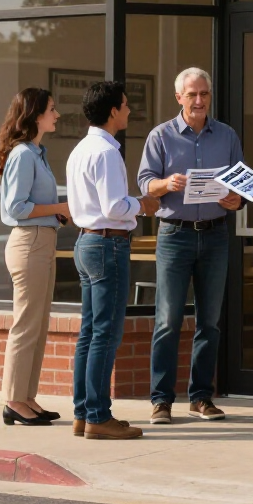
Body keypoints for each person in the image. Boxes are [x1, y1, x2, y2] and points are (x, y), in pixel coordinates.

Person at [137, 67, 244, 425]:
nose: (200, 101)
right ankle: (161, 400)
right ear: (178, 97)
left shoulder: (226, 135)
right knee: (167, 320)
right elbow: (145, 183)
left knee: (209, 321)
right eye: (193, 94)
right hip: (175, 235)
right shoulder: (161, 136)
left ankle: (201, 397)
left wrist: (236, 201)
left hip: (215, 234)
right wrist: (166, 183)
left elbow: (240, 183)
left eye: (205, 94)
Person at [67, 80, 158, 440]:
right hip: (107, 245)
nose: (129, 110)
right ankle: (98, 417)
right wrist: (143, 204)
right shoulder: (105, 152)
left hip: (87, 242)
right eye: (125, 104)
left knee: (90, 333)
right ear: (112, 112)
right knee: (105, 334)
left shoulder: (80, 150)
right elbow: (114, 207)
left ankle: (83, 412)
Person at [0, 87, 71, 426]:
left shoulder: (37, 152)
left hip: (42, 240)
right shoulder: (24, 154)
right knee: (26, 325)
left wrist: (56, 214)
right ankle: (13, 400)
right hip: (29, 244)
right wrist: (57, 208)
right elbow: (15, 208)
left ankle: (26, 396)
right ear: (36, 115)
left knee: (38, 325)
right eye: (52, 109)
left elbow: (33, 205)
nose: (56, 115)